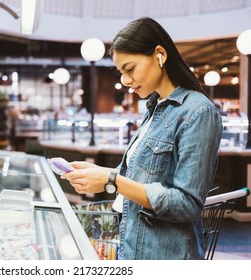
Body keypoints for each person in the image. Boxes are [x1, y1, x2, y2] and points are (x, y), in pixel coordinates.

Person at [61, 17, 223, 260]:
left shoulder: (198, 112)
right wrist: (100, 173)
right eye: (121, 72)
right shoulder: (154, 108)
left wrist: (112, 179)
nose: (125, 80)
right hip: (134, 248)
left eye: (130, 68)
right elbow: (143, 173)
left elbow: (187, 204)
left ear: (159, 54)